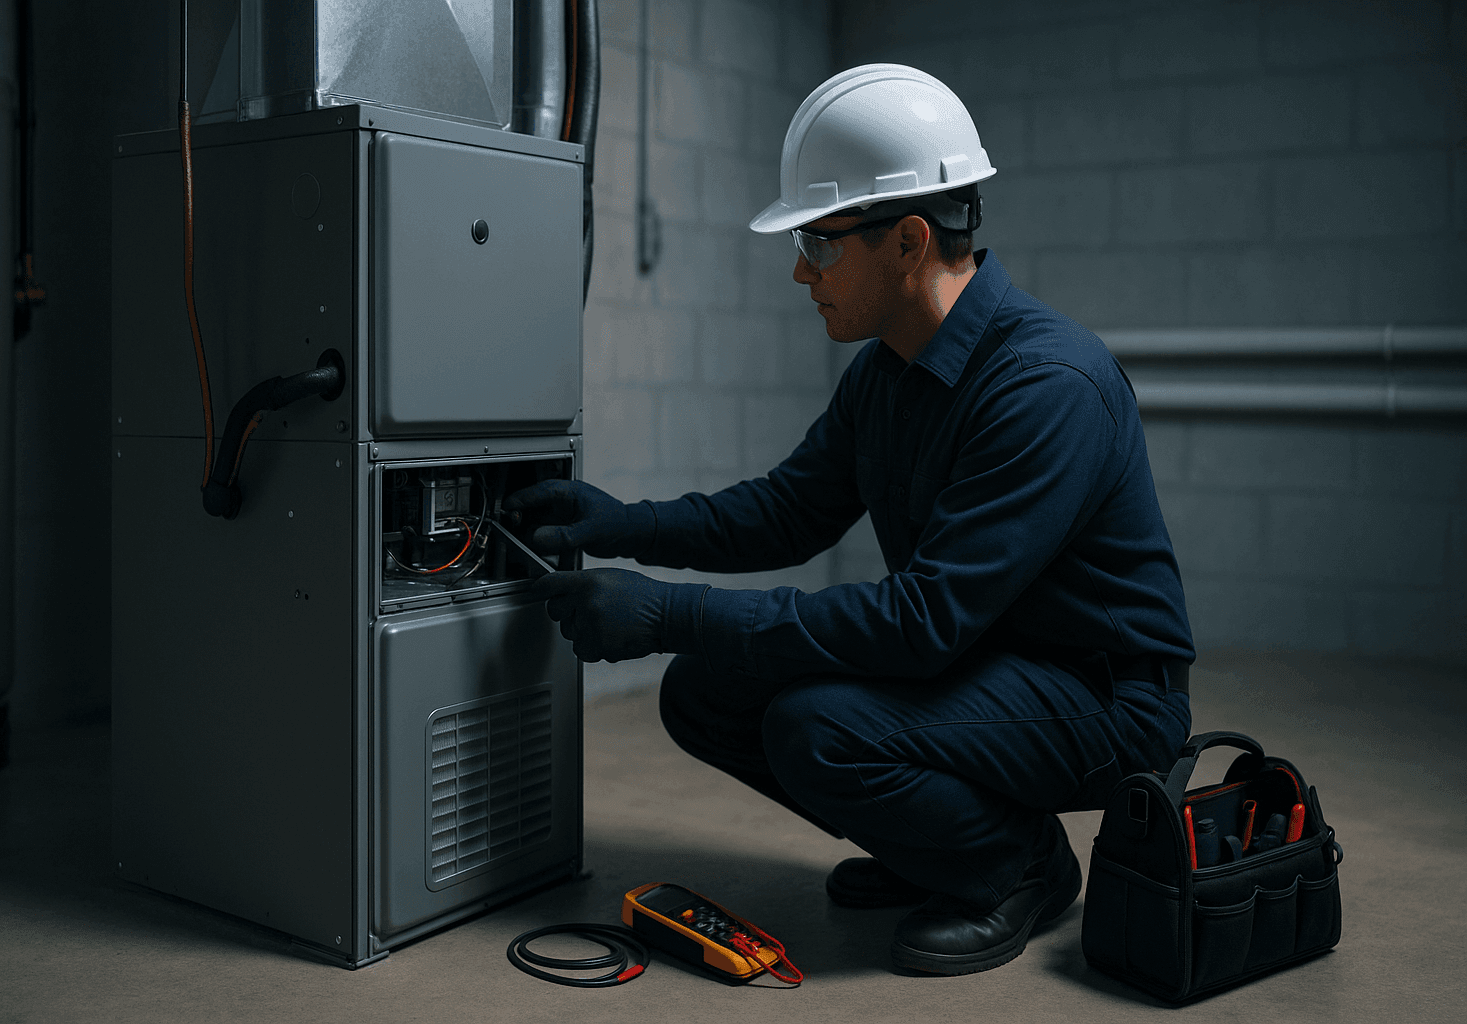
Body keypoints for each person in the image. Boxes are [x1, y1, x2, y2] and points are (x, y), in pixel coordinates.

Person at [504, 64, 1195, 976]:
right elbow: (788, 513)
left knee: (817, 728)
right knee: (704, 691)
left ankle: (1013, 865)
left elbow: (922, 626)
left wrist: (667, 615)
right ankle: (936, 847)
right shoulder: (888, 371)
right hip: (986, 659)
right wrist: (623, 523)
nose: (801, 272)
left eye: (820, 244)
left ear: (908, 241)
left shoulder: (1045, 387)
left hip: (1102, 698)